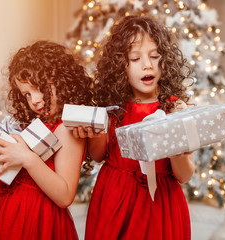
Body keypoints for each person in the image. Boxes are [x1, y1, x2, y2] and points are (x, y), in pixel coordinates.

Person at [73, 16, 195, 239]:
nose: (147, 64)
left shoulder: (175, 108)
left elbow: (185, 175)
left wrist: (178, 153)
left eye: (155, 56)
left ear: (165, 60)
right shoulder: (112, 107)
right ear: (121, 65)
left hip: (160, 201)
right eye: (135, 58)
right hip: (115, 198)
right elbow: (99, 156)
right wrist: (96, 134)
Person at [0, 40, 93, 240]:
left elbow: (65, 195)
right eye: (26, 94)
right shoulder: (39, 121)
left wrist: (27, 158)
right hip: (4, 207)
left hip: (36, 217)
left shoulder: (68, 128)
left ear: (62, 79)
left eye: (39, 88)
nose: (34, 100)